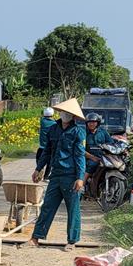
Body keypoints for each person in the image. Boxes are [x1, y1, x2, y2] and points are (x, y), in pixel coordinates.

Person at [28, 98, 87, 251]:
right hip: (55, 175)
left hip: (71, 176)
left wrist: (80, 178)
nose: (65, 115)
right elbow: (47, 151)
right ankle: (36, 237)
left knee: (73, 209)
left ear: (73, 116)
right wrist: (38, 168)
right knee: (47, 206)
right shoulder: (53, 129)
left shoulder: (78, 132)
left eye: (68, 113)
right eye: (63, 112)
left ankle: (72, 240)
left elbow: (80, 156)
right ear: (59, 113)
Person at [83, 113, 114, 188]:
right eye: (89, 122)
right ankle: (82, 185)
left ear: (97, 123)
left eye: (93, 122)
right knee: (92, 164)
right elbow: (80, 149)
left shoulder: (103, 132)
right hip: (88, 157)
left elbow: (111, 143)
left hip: (103, 156)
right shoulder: (83, 133)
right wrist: (92, 157)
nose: (91, 124)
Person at [37, 107, 56, 180]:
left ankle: (40, 169)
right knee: (49, 163)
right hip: (50, 147)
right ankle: (46, 176)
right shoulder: (54, 123)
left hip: (41, 146)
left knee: (38, 159)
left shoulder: (42, 121)